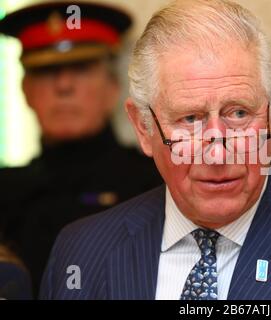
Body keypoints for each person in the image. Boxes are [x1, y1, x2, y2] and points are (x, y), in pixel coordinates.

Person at [40, 0, 271, 300]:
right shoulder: (80, 252)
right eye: (189, 119)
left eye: (239, 113)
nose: (217, 151)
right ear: (144, 127)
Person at [0, 1, 163, 296]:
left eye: (81, 68)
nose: (63, 86)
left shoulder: (157, 184)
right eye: (47, 71)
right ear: (25, 89)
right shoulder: (6, 192)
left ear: (113, 86)